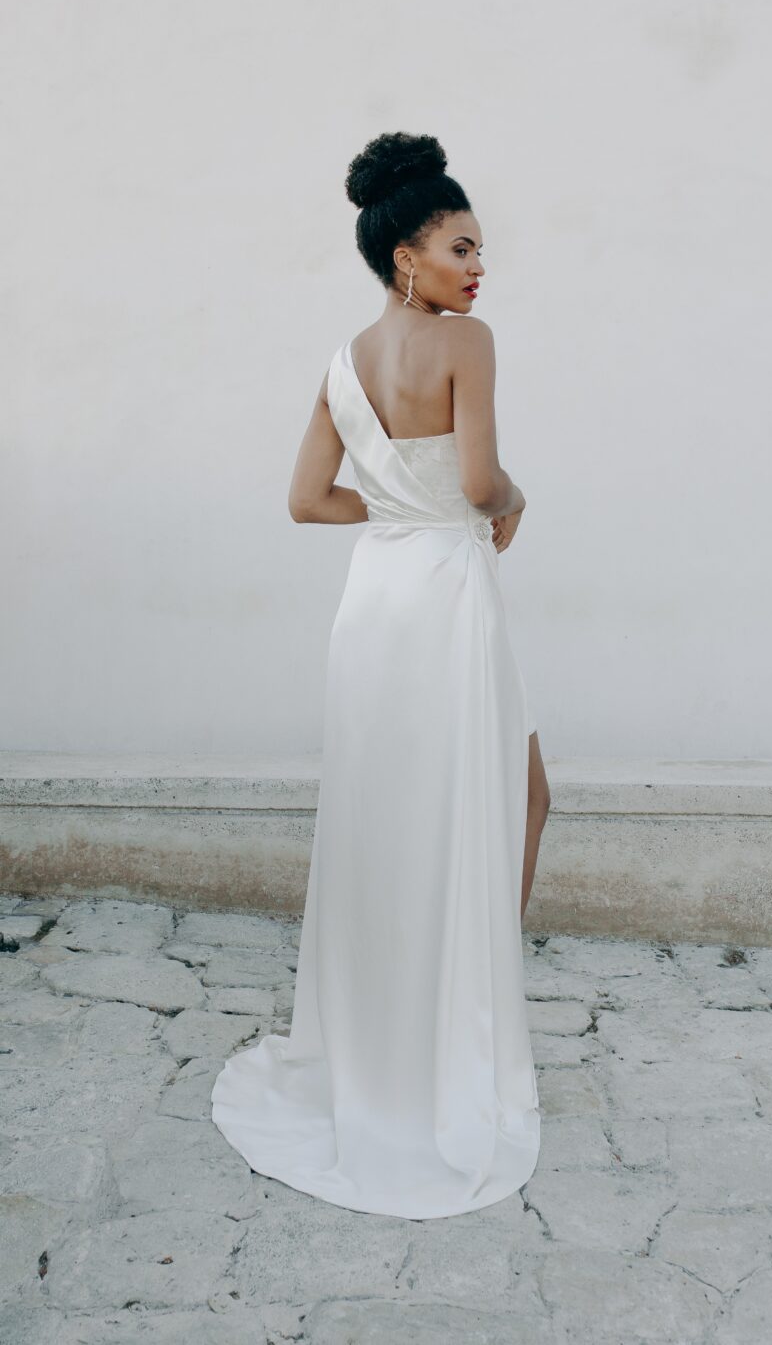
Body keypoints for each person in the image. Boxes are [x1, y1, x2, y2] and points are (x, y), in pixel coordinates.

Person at [210, 130, 550, 1219]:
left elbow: (307, 501)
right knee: (513, 796)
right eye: (461, 247)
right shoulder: (467, 342)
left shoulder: (339, 363)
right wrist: (506, 499)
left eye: (479, 249)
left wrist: (400, 503)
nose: (479, 267)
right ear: (408, 256)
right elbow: (483, 480)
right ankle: (463, 1038)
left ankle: (393, 1042)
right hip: (445, 591)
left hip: (375, 601)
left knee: (388, 815)